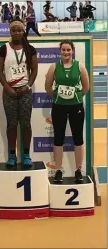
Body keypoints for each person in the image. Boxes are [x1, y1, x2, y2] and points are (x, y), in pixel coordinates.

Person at [45, 40, 89, 182]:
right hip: (59, 106)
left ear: (72, 51)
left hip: (76, 106)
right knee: (58, 138)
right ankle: (58, 170)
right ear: (60, 51)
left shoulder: (80, 66)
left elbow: (86, 87)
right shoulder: (54, 67)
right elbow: (48, 87)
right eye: (63, 50)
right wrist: (59, 97)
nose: (66, 52)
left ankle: (78, 170)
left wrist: (75, 97)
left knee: (78, 138)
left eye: (68, 50)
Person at [0, 20, 38, 167]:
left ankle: (26, 155)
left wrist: (28, 86)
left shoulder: (30, 49)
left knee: (26, 124)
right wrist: (6, 87)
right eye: (14, 30)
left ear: (23, 31)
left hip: (25, 92)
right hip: (9, 92)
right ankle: (12, 155)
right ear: (10, 32)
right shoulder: (3, 49)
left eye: (20, 30)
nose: (17, 32)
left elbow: (34, 71)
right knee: (12, 124)